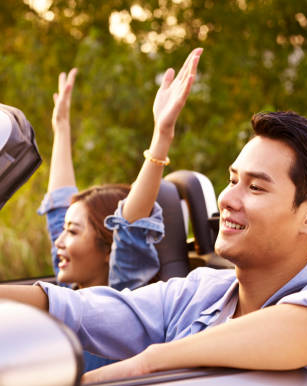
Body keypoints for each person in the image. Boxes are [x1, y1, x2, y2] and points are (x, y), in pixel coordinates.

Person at [0, 55, 307, 384]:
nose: (227, 199)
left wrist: (149, 363)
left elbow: (305, 325)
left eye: (255, 188)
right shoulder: (200, 294)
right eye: (232, 180)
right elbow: (75, 307)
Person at [39, 47, 202, 292]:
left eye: (72, 231)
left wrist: (162, 134)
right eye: (65, 230)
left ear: (108, 249)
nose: (58, 242)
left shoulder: (120, 296)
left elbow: (130, 227)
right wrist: (61, 127)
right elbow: (57, 207)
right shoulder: (72, 285)